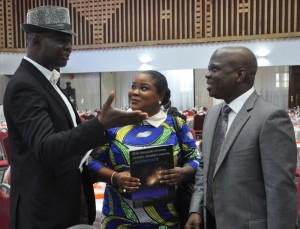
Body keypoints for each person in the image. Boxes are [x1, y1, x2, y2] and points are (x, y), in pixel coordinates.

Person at [3, 6, 148, 229]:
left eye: (69, 39)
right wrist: (98, 124)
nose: (69, 46)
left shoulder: (47, 82)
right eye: (61, 40)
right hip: (44, 209)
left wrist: (108, 134)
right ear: (36, 40)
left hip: (63, 199)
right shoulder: (25, 85)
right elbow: (46, 147)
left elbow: (68, 139)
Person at [185, 46, 298, 229]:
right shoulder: (213, 114)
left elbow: (280, 190)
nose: (207, 75)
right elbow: (206, 166)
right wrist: (196, 208)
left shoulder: (270, 117)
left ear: (240, 75)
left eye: (214, 69)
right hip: (210, 220)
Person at [88, 70, 201, 228]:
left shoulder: (176, 125)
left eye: (144, 88)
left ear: (160, 96)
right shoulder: (114, 125)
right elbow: (91, 162)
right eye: (133, 86)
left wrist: (183, 173)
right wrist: (115, 177)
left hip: (166, 219)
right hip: (119, 217)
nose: (134, 92)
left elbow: (195, 160)